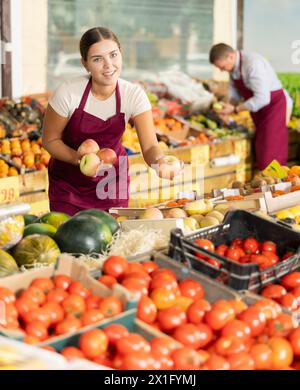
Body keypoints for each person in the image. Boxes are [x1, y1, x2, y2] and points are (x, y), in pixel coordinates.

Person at [42, 27, 182, 215]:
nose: (109, 65)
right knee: (70, 239)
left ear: (121, 55)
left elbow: (150, 147)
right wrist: (79, 159)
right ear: (85, 64)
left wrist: (160, 162)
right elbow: (50, 140)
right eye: (97, 59)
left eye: (113, 55)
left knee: (113, 237)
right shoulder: (68, 92)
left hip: (112, 181)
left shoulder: (132, 95)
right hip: (68, 185)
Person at [209, 43, 293, 170]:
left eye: (223, 67)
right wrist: (227, 107)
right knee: (261, 148)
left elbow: (263, 98)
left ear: (230, 56)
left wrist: (236, 109)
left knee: (270, 155)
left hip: (272, 108)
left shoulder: (253, 64)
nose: (222, 70)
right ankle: (267, 185)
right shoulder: (234, 68)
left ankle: (279, 187)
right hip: (259, 112)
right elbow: (234, 94)